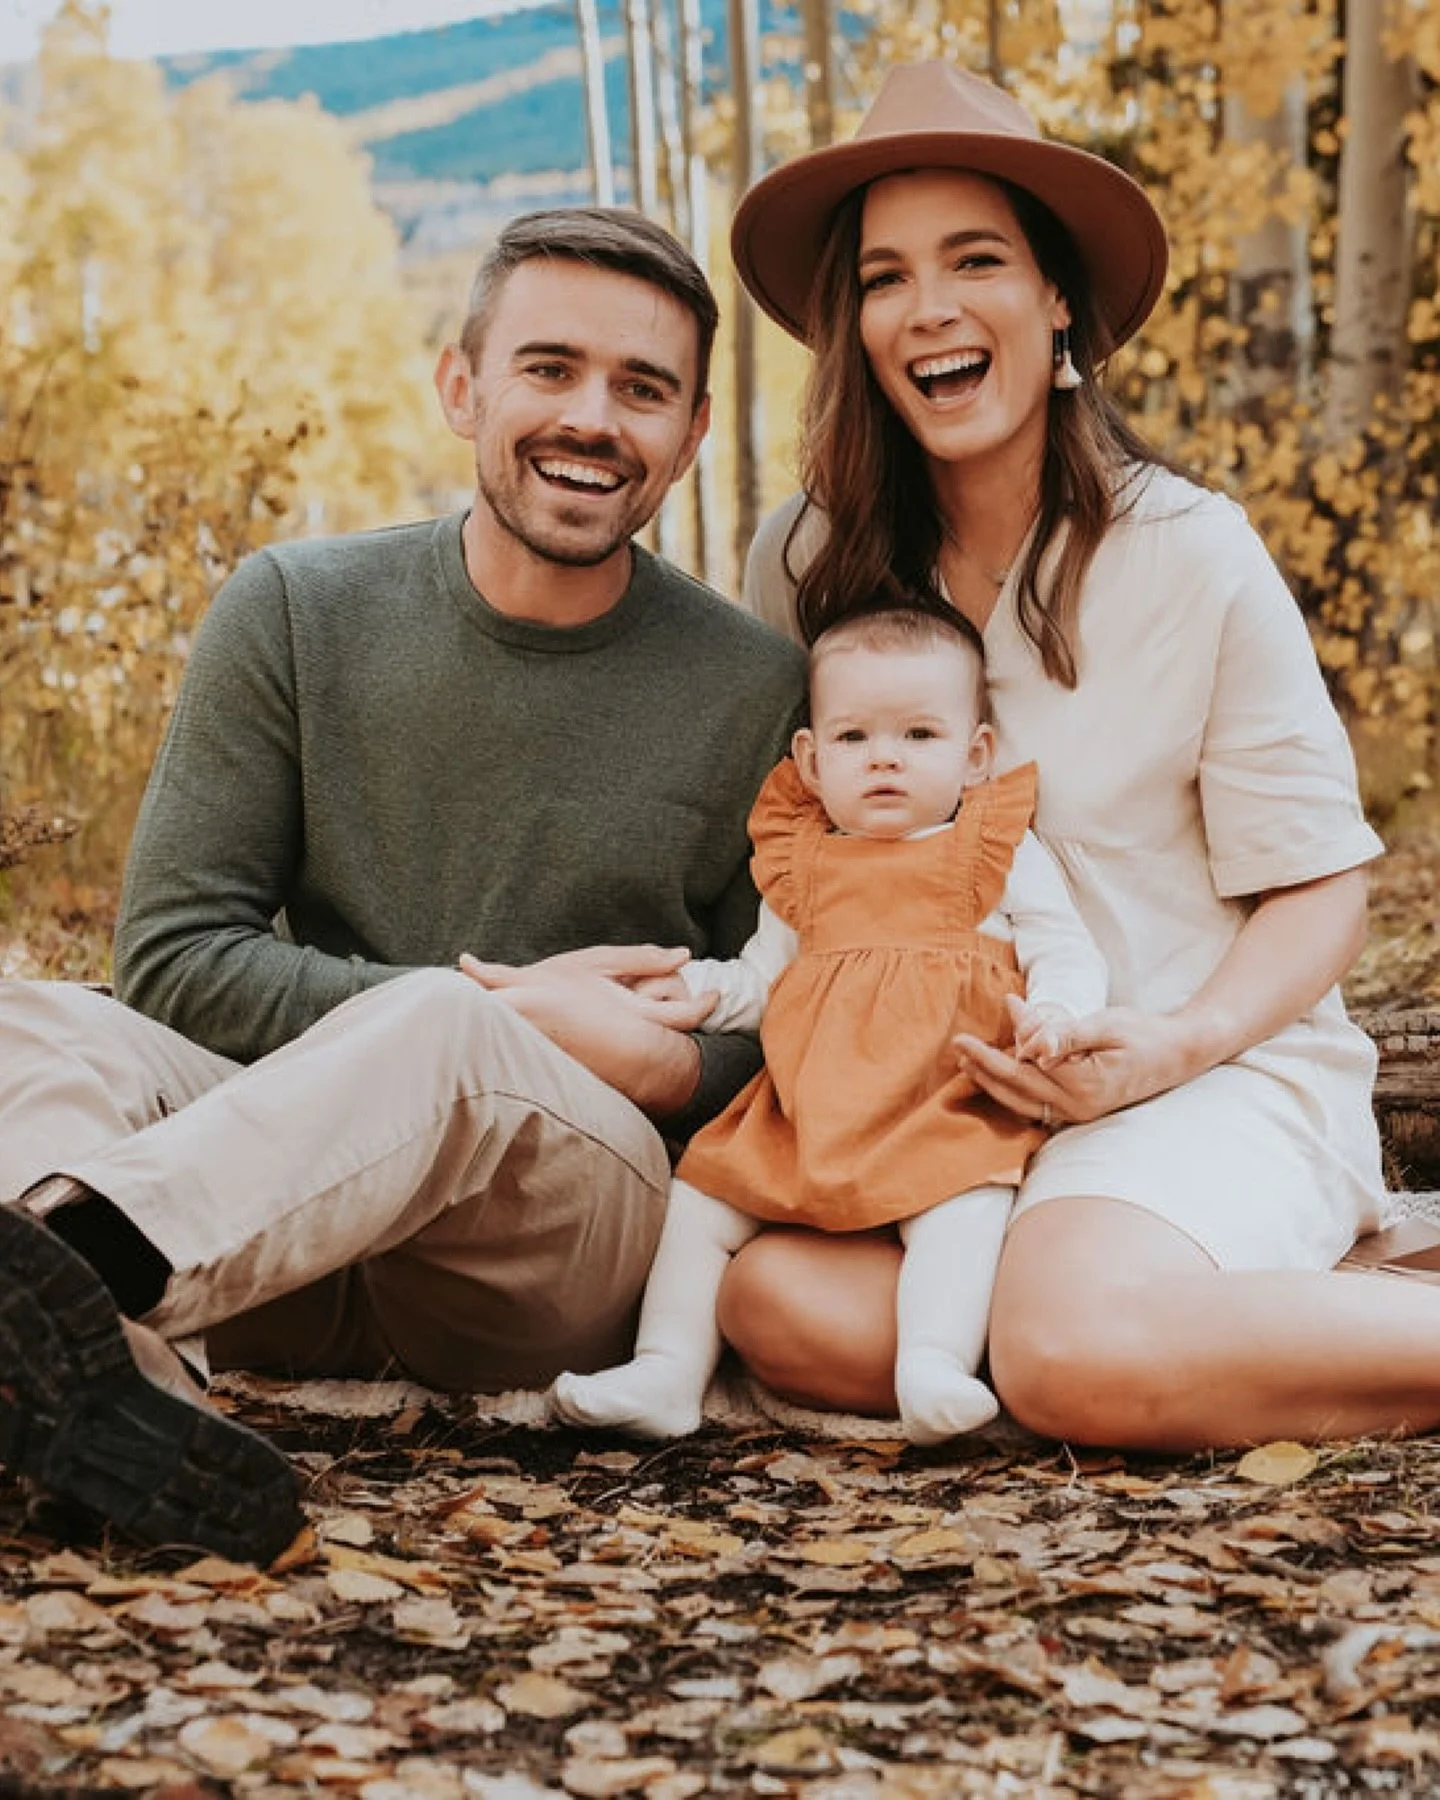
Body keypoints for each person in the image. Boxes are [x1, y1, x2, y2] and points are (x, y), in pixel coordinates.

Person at [0, 207, 806, 1564]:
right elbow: (177, 957)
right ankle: (128, 1408)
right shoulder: (299, 610)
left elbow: (794, 1033)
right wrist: (436, 1008)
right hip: (275, 1211)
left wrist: (633, 1057)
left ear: (693, 432)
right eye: (550, 369)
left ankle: (74, 1271)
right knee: (33, 1020)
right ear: (462, 385)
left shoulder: (755, 687)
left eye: (642, 389)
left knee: (455, 1032)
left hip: (547, 1244)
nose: (593, 418)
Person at [713, 58, 1440, 1453]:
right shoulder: (802, 559)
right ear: (853, 322)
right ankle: (1220, 1319)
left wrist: (1171, 1045)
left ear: (1056, 298)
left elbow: (1323, 888)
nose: (928, 308)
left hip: (1208, 1074)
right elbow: (820, 850)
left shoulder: (1190, 551)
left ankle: (1126, 1323)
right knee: (776, 1303)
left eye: (975, 259)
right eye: (884, 277)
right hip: (943, 1118)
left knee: (1060, 1345)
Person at [549, 604, 1108, 1443]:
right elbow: (766, 980)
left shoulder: (988, 849)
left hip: (940, 1103)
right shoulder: (803, 862)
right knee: (701, 1201)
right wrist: (698, 995)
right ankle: (667, 1369)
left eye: (919, 735)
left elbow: (1064, 948)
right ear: (810, 762)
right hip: (806, 1109)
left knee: (964, 1209)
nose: (884, 757)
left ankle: (930, 1362)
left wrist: (1060, 1015)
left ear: (976, 753)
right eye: (853, 739)